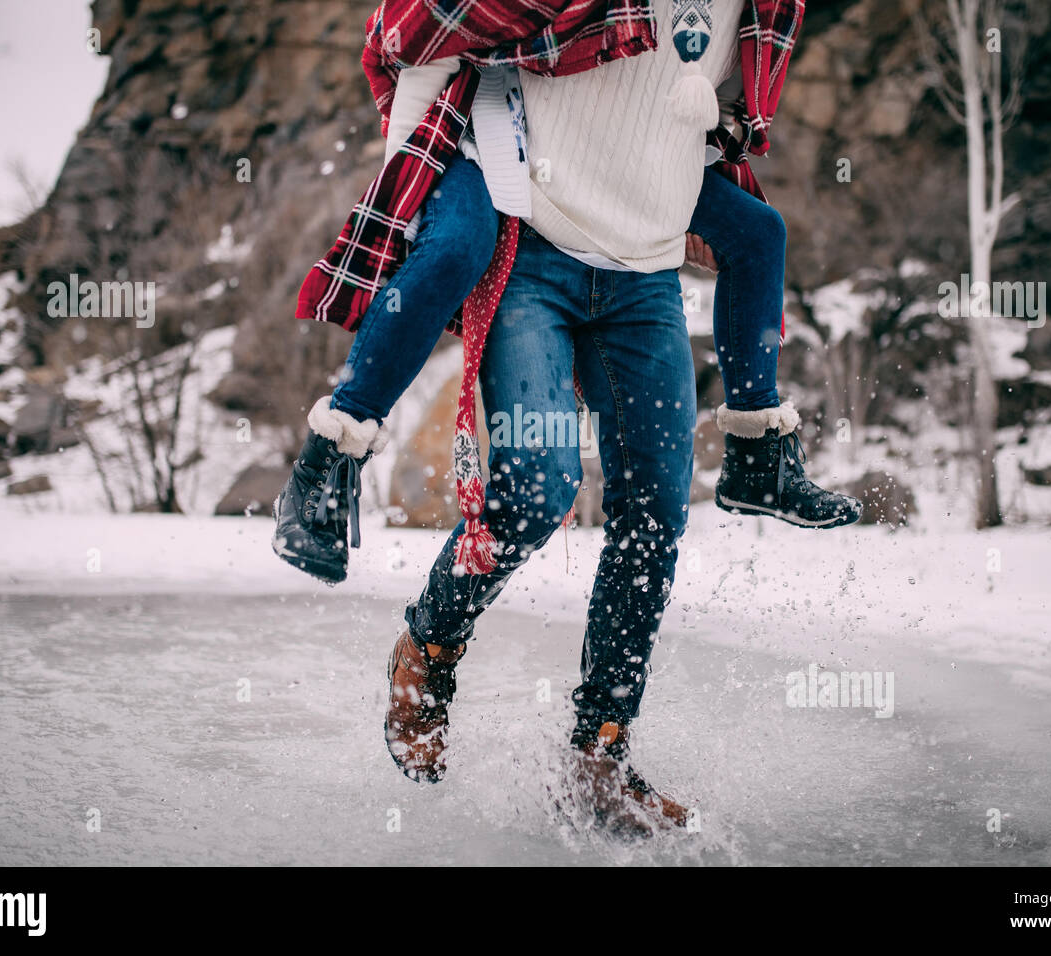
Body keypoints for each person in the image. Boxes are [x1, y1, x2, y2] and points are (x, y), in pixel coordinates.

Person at [283, 0, 833, 834]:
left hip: (642, 270)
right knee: (536, 492)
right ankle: (429, 646)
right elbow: (424, 33)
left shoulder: (763, 14)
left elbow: (715, 127)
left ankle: (600, 760)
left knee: (655, 511)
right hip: (533, 247)